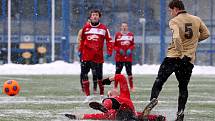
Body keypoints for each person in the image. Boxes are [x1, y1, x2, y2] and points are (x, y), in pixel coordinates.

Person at [149, 0, 210, 121]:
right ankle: (180, 114)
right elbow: (206, 34)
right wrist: (193, 43)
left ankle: (151, 103)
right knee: (183, 87)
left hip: (174, 57)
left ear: (176, 9)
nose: (170, 13)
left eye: (170, 10)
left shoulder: (174, 21)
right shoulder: (196, 19)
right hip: (188, 60)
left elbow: (176, 37)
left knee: (159, 81)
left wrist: (180, 52)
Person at [65, 74, 166, 121]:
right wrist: (78, 116)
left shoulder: (123, 95)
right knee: (111, 104)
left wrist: (158, 118)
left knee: (136, 116)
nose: (111, 91)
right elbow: (95, 116)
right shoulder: (119, 98)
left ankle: (105, 106)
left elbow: (121, 77)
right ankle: (104, 106)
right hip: (120, 113)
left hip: (126, 114)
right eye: (110, 93)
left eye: (111, 92)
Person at [79, 9, 113, 102]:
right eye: (93, 15)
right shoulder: (85, 28)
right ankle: (88, 95)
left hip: (98, 57)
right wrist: (80, 51)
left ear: (99, 17)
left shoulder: (104, 28)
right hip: (86, 56)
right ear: (90, 17)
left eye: (96, 15)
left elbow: (109, 40)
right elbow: (82, 41)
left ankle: (102, 95)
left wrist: (109, 51)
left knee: (99, 77)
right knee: (84, 75)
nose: (94, 16)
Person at [114, 22, 135, 92]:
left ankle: (131, 87)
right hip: (119, 57)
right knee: (117, 72)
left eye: (125, 26)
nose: (124, 27)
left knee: (129, 72)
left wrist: (130, 49)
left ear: (127, 27)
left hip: (128, 58)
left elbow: (133, 45)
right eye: (123, 26)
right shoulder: (117, 35)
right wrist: (119, 50)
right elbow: (114, 45)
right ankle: (115, 87)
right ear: (120, 27)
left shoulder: (131, 35)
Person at [77, 27, 98, 94]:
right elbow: (79, 41)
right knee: (83, 72)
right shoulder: (82, 31)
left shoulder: (97, 31)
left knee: (94, 71)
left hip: (94, 55)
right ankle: (83, 87)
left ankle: (95, 88)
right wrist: (80, 51)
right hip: (84, 54)